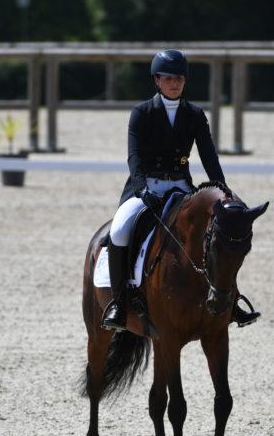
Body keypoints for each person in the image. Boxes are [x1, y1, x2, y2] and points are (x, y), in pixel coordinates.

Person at [101, 49, 261, 332]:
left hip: (180, 188)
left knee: (220, 235)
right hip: (146, 187)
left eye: (180, 78)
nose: (175, 83)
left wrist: (223, 190)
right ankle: (118, 302)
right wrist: (141, 189)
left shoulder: (195, 115)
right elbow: (134, 157)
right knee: (119, 230)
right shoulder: (141, 113)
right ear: (157, 80)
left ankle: (231, 300)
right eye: (168, 78)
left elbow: (209, 156)